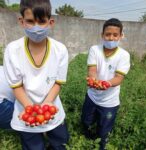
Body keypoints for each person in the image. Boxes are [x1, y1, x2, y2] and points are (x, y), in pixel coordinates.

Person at [3, 0, 69, 150]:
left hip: (52, 109)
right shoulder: (13, 50)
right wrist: (30, 109)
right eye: (30, 21)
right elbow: (16, 85)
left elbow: (58, 82)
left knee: (60, 141)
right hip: (25, 110)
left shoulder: (60, 50)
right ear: (21, 21)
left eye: (42, 21)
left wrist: (47, 104)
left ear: (50, 22)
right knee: (33, 147)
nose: (36, 27)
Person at [81, 18, 130, 150]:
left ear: (121, 36)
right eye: (108, 34)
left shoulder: (124, 55)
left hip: (110, 102)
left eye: (115, 35)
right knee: (86, 123)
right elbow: (92, 70)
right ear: (102, 35)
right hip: (92, 96)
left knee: (104, 132)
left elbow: (119, 78)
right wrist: (94, 80)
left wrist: (105, 84)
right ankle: (86, 143)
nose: (111, 38)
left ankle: (101, 146)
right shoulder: (94, 50)